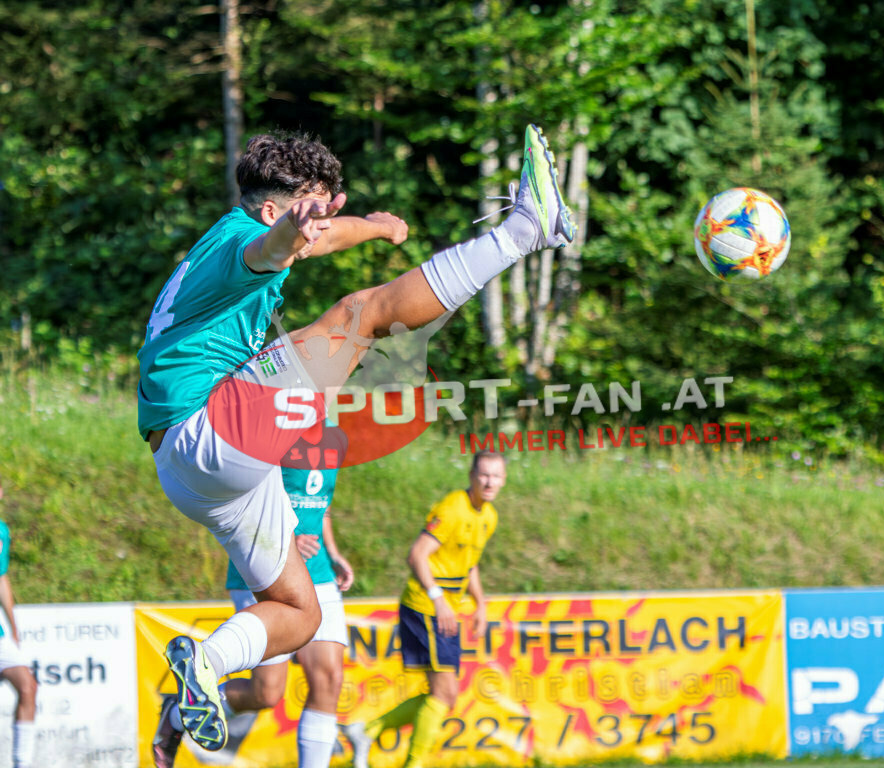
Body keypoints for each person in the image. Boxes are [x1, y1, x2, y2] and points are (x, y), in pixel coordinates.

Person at [138, 125, 574, 753]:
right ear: (271, 210)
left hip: (189, 473)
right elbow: (275, 246)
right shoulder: (241, 241)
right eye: (306, 207)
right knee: (359, 314)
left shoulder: (244, 236)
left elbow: (307, 237)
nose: (317, 222)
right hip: (209, 425)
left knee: (299, 613)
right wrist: (295, 229)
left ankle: (204, 663)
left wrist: (371, 224)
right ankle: (526, 230)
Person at [152, 455, 355, 768]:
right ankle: (177, 715)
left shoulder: (333, 438)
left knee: (329, 678)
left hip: (320, 574)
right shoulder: (276, 429)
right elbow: (244, 495)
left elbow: (321, 505)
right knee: (266, 693)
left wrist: (335, 553)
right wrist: (286, 539)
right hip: (268, 568)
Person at [341, 452, 506, 768]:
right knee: (445, 694)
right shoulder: (453, 508)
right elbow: (417, 555)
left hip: (445, 610)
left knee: (442, 695)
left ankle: (367, 730)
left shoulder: (489, 516)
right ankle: (409, 761)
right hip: (425, 606)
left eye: (496, 476)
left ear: (503, 480)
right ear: (471, 475)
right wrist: (438, 598)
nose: (489, 482)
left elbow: (469, 564)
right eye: (484, 475)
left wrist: (481, 604)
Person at [0, 483, 37, 768]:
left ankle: (21, 764)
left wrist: (13, 625)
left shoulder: (2, 531)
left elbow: (1, 578)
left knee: (28, 686)